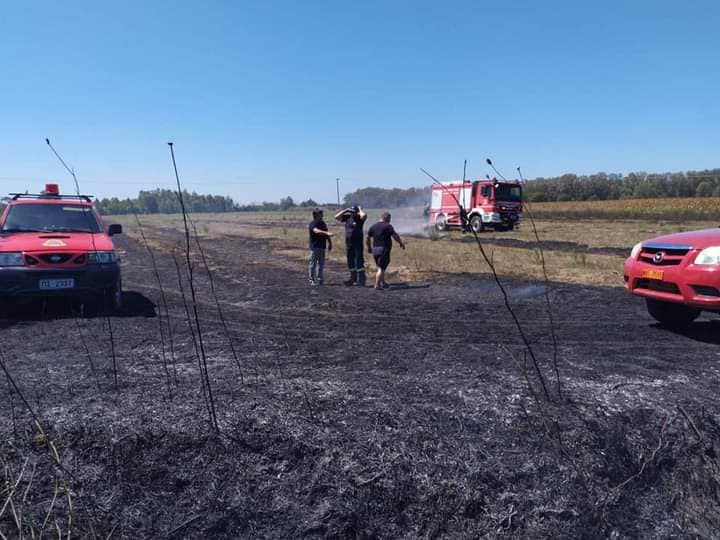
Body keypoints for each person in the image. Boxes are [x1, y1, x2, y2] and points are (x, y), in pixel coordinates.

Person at [366, 211, 406, 290]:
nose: (390, 220)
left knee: (381, 267)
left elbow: (367, 238)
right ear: (387, 218)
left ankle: (383, 282)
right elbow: (395, 236)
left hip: (375, 249)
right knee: (381, 268)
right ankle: (377, 285)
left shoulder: (373, 226)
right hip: (383, 249)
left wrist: (369, 247)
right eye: (389, 219)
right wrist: (401, 243)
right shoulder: (388, 226)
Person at [334, 204, 367, 286]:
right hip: (349, 243)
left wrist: (359, 209)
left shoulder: (360, 218)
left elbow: (364, 216)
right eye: (351, 212)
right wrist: (346, 210)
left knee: (358, 261)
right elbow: (336, 217)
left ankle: (361, 280)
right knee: (350, 261)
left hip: (358, 243)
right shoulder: (347, 218)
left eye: (354, 212)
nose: (352, 213)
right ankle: (353, 279)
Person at [308, 208, 332, 286]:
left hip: (322, 246)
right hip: (314, 247)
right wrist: (326, 233)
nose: (322, 215)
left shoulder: (323, 223)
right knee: (313, 264)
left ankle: (320, 279)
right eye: (320, 214)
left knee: (321, 264)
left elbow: (326, 234)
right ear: (315, 215)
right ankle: (311, 280)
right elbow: (316, 231)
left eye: (321, 213)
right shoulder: (312, 223)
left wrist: (330, 243)